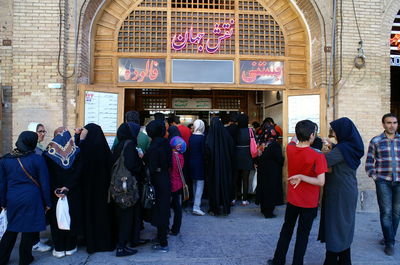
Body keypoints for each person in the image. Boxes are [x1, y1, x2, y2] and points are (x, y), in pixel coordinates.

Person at [267, 120, 327, 265]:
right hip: (309, 201)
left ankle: (278, 260)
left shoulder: (290, 148)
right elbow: (321, 181)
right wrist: (303, 177)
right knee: (303, 235)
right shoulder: (318, 155)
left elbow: (294, 139)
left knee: (286, 230)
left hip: (293, 198)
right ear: (312, 135)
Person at [0, 131, 51, 265]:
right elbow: (44, 183)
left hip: (12, 198)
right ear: (32, 143)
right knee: (29, 229)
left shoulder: (5, 159)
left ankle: (2, 258)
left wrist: (2, 202)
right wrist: (47, 202)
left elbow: (2, 184)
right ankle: (25, 258)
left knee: (12, 228)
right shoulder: (37, 159)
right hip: (32, 198)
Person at [318, 117, 364, 265]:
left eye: (335, 132)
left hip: (339, 192)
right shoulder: (350, 146)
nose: (334, 135)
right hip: (346, 190)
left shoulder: (343, 150)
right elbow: (339, 151)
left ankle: (331, 260)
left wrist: (308, 149)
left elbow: (322, 162)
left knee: (336, 225)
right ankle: (344, 260)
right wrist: (331, 145)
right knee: (344, 225)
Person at [75, 123, 116, 253]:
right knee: (103, 215)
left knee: (90, 215)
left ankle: (91, 243)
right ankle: (105, 242)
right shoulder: (104, 149)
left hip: (88, 190)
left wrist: (79, 138)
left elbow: (77, 160)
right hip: (104, 191)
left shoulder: (84, 149)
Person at [44, 128, 83, 258]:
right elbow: (79, 174)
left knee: (56, 219)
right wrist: (67, 187)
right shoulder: (77, 152)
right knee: (71, 217)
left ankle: (59, 248)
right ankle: (71, 247)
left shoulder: (47, 154)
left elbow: (46, 176)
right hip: (72, 192)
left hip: (54, 193)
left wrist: (56, 189)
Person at [365, 113, 400, 256]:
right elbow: (369, 162)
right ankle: (390, 242)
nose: (392, 125)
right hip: (383, 181)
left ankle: (388, 236)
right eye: (389, 122)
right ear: (383, 124)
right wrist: (375, 177)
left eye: (395, 122)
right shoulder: (376, 141)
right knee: (386, 212)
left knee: (397, 213)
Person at [111, 122, 143, 257]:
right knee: (127, 215)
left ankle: (122, 243)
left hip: (117, 186)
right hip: (127, 187)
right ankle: (121, 247)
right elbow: (131, 165)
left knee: (121, 215)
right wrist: (140, 161)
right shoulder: (129, 144)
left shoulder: (119, 144)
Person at [144, 120, 171, 253]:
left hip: (157, 181)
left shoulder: (154, 146)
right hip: (165, 178)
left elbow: (151, 166)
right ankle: (162, 236)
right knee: (164, 210)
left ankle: (163, 243)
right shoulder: (166, 143)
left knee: (160, 210)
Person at [27, 122, 52, 253]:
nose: (43, 134)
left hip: (36, 187)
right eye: (40, 131)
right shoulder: (35, 150)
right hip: (35, 187)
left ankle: (35, 239)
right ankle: (34, 242)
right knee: (35, 214)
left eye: (43, 131)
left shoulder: (39, 147)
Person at [205, 117, 234, 216]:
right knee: (225, 184)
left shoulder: (209, 136)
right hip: (225, 165)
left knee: (214, 186)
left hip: (213, 167)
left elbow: (207, 152)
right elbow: (231, 149)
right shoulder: (226, 134)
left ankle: (214, 208)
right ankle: (225, 206)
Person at [255, 124, 284, 218]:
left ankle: (263, 209)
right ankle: (269, 212)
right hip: (272, 173)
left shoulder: (261, 144)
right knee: (271, 192)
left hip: (262, 171)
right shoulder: (274, 145)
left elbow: (257, 157)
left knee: (263, 190)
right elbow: (279, 159)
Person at [233, 114, 254, 206]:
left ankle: (233, 198)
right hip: (247, 155)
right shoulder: (250, 130)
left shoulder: (235, 130)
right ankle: (244, 200)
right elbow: (254, 142)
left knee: (235, 178)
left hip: (236, 155)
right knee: (245, 179)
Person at [169, 136, 187, 236]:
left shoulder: (170, 156)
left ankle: (166, 227)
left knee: (167, 207)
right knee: (178, 208)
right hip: (179, 184)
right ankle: (176, 228)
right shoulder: (181, 157)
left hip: (170, 184)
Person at [189, 119, 206, 216]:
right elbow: (204, 152)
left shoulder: (192, 137)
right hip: (200, 163)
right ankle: (196, 206)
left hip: (191, 162)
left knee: (194, 183)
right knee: (200, 184)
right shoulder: (202, 138)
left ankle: (195, 202)